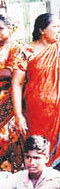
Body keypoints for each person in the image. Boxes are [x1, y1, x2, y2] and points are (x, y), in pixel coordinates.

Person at [11, 13, 60, 183]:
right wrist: (18, 115)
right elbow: (17, 84)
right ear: (42, 30)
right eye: (55, 27)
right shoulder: (26, 51)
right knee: (41, 150)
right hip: (39, 115)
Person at [0, 14, 24, 172]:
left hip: (9, 104)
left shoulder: (16, 48)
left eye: (1, 29)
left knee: (10, 142)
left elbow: (9, 74)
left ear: (10, 29)